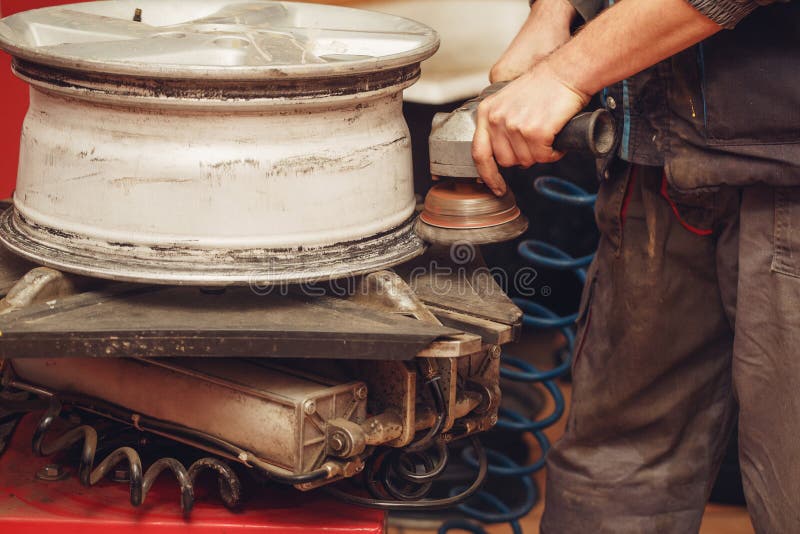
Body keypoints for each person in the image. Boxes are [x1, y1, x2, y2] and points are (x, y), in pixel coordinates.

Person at [472, 0, 800, 531]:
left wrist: (565, 72)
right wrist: (557, 8)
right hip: (656, 166)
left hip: (787, 174)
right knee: (610, 482)